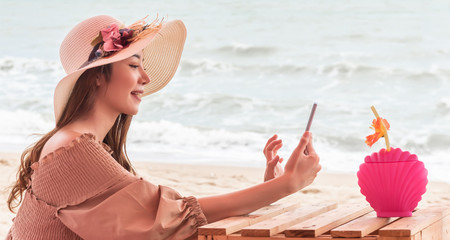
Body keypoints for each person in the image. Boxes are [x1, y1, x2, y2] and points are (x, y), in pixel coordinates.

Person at [6, 15, 321, 240]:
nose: (145, 78)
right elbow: (166, 219)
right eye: (133, 65)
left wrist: (268, 190)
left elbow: (164, 214)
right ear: (97, 75)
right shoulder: (73, 150)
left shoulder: (73, 143)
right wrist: (284, 185)